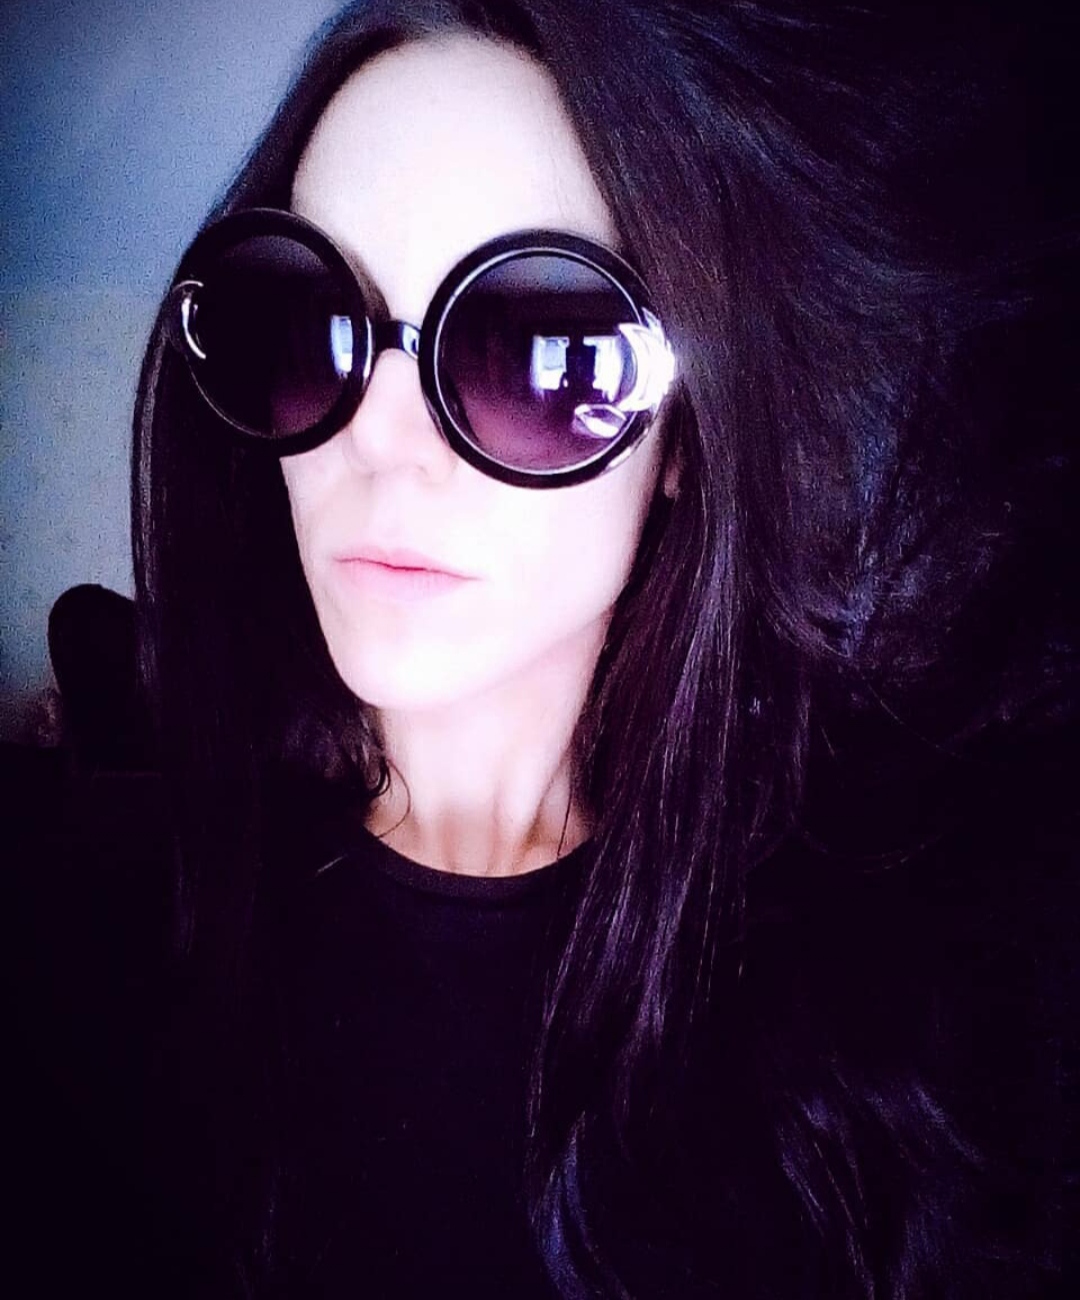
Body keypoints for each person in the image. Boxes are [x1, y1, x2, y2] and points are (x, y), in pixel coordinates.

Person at [100, 0, 1077, 1295]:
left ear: (680, 443)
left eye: (536, 349)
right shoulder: (105, 937)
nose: (376, 439)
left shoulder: (876, 1007)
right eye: (304, 320)